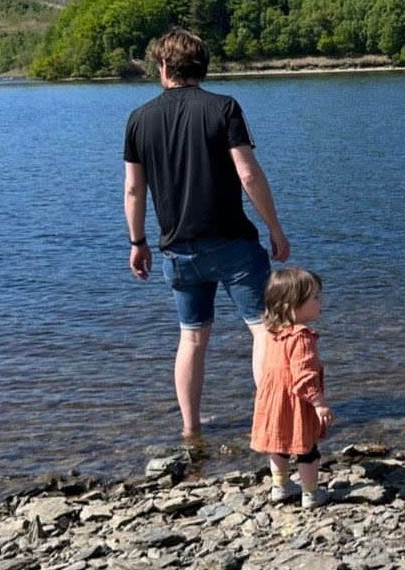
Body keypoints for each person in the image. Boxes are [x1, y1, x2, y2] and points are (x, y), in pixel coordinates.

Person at [123, 28, 290, 440]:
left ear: (163, 67)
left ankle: (191, 428)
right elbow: (248, 173)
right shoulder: (224, 108)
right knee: (263, 329)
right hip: (232, 243)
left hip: (177, 251)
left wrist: (137, 242)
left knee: (192, 338)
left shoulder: (139, 119)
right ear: (203, 65)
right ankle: (273, 422)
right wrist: (274, 226)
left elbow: (133, 188)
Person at [251, 267, 334, 509]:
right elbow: (304, 376)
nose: (321, 302)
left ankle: (281, 487)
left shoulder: (272, 332)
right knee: (307, 448)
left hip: (273, 399)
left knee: (279, 444)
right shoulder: (302, 336)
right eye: (315, 298)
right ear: (291, 305)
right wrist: (319, 403)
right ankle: (310, 493)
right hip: (298, 402)